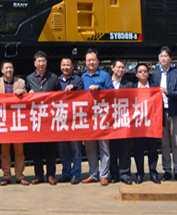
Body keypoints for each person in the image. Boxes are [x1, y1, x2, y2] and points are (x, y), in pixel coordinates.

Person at [25, 51, 61, 185]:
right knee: (36, 149)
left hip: (49, 119)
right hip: (35, 119)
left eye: (43, 61)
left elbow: (59, 96)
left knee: (51, 149)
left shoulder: (53, 77)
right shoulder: (29, 79)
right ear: (34, 63)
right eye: (38, 61)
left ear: (46, 63)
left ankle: (51, 175)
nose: (41, 64)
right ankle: (38, 175)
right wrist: (27, 93)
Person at [0, 60, 29, 186]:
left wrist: (23, 93)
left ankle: (20, 176)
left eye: (10, 68)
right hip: (3, 121)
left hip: (17, 121)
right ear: (2, 70)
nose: (8, 70)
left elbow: (28, 99)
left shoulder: (21, 82)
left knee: (19, 152)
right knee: (5, 152)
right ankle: (6, 176)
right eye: (6, 68)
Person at [150, 46, 177, 183]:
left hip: (174, 111)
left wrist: (168, 92)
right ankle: (167, 170)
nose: (163, 58)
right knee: (164, 143)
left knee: (176, 142)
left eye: (165, 56)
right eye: (161, 56)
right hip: (160, 112)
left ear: (170, 58)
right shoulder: (155, 74)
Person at [81, 48, 114, 186]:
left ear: (98, 61)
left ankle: (104, 175)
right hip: (89, 117)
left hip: (103, 116)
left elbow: (112, 93)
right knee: (90, 147)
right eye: (88, 60)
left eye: (93, 60)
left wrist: (100, 90)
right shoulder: (83, 77)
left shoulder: (105, 76)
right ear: (85, 62)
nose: (91, 62)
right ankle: (93, 174)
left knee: (104, 147)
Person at [131, 63, 161, 184]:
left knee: (152, 150)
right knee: (138, 150)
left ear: (148, 73)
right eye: (140, 71)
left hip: (151, 124)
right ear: (136, 74)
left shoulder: (154, 88)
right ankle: (140, 173)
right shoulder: (132, 88)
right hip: (137, 124)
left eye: (145, 71)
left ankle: (153, 173)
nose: (143, 73)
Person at [57, 57, 84, 185]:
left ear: (73, 66)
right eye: (63, 65)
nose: (66, 67)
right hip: (61, 119)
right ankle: (66, 173)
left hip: (74, 119)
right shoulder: (57, 80)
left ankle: (75, 174)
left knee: (76, 149)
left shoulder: (78, 80)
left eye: (68, 65)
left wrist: (75, 88)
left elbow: (83, 96)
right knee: (63, 149)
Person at [109, 59, 133, 185]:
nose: (121, 70)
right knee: (111, 149)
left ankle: (125, 174)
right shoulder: (107, 83)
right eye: (118, 67)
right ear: (112, 68)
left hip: (124, 121)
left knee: (125, 149)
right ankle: (114, 174)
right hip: (110, 121)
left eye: (123, 67)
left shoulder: (128, 84)